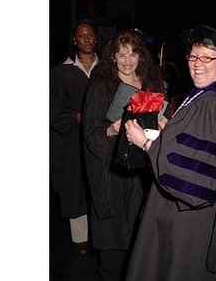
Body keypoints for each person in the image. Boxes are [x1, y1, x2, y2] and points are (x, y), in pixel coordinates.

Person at [124, 24, 216, 281]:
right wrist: (170, 132)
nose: (197, 63)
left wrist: (146, 144)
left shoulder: (211, 101)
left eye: (206, 57)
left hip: (187, 219)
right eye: (193, 56)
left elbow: (192, 174)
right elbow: (201, 144)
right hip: (200, 213)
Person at [83, 29, 169, 281]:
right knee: (114, 241)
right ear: (112, 57)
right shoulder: (101, 87)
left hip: (143, 172)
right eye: (121, 54)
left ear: (141, 56)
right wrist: (111, 129)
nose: (128, 60)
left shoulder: (151, 85)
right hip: (111, 173)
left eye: (133, 54)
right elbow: (90, 134)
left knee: (139, 239)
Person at [50, 19, 99, 255]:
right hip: (73, 139)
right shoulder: (62, 71)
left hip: (102, 138)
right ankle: (80, 237)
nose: (87, 39)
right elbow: (55, 111)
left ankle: (100, 233)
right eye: (82, 35)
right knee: (76, 186)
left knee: (101, 183)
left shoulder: (108, 68)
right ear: (74, 40)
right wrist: (76, 116)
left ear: (97, 39)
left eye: (91, 35)